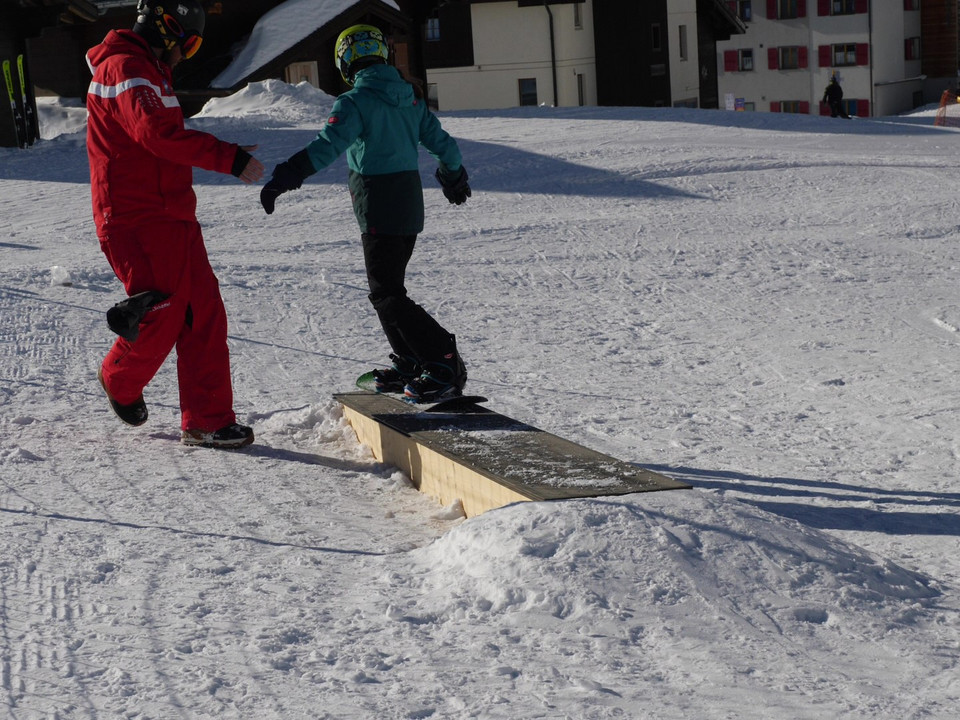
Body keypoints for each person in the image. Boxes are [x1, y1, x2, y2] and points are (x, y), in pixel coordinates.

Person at [260, 24, 472, 403]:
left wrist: (286, 175)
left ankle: (442, 361)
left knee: (387, 293)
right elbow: (445, 145)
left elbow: (327, 146)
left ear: (344, 62)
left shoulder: (355, 102)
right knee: (387, 291)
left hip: (379, 203)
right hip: (408, 206)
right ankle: (410, 361)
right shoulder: (409, 98)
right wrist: (453, 176)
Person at [86, 0, 264, 448]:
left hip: (173, 213)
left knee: (203, 311)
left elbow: (161, 139)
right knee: (165, 311)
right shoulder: (125, 68)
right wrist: (228, 157)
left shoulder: (149, 70)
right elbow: (156, 135)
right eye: (190, 42)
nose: (188, 53)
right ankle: (118, 378)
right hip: (136, 216)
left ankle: (207, 420)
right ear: (167, 29)